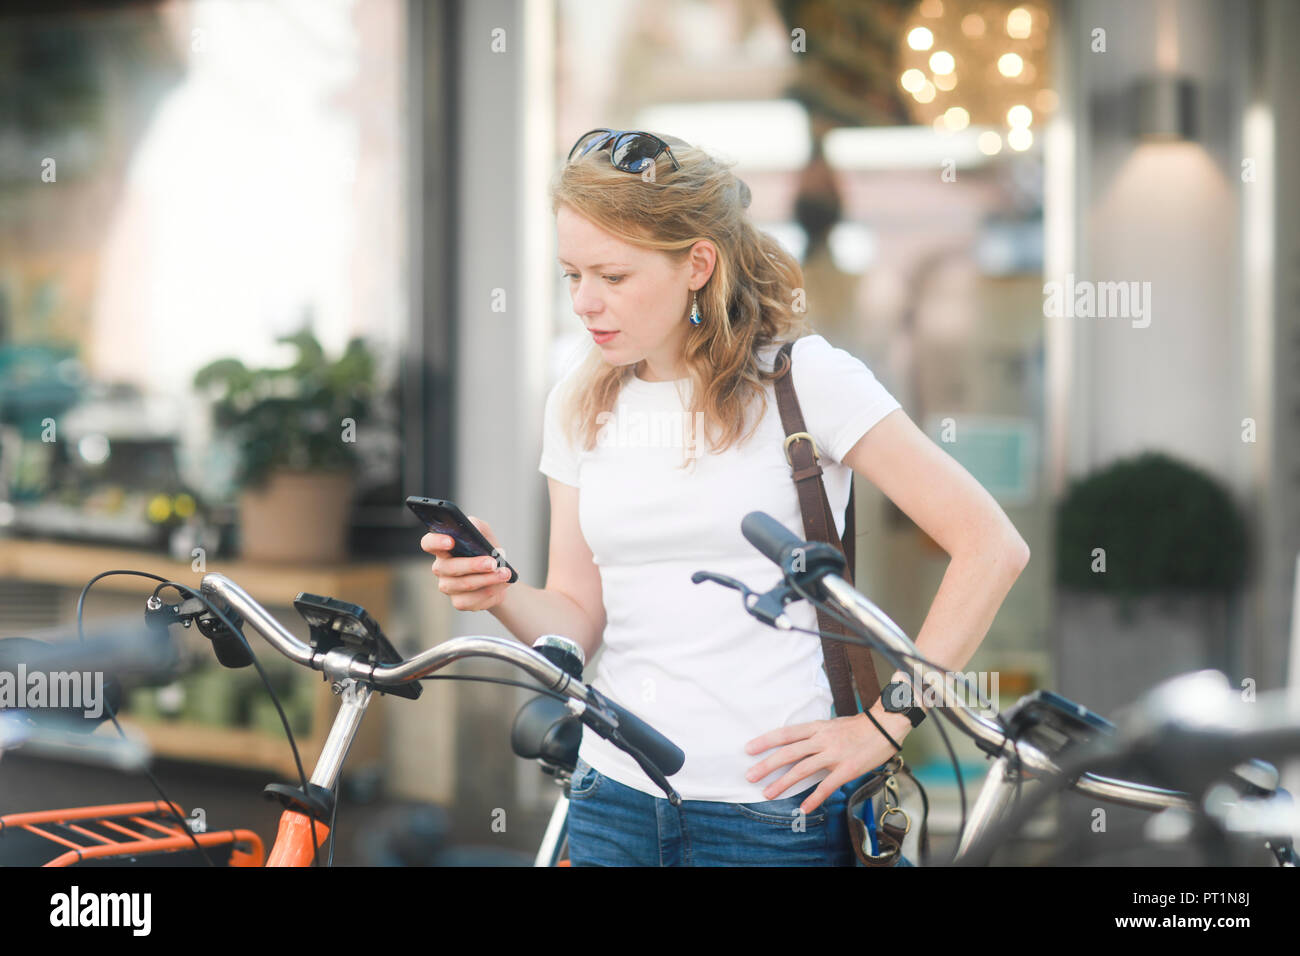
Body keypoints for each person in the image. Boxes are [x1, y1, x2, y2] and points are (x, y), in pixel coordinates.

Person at [422, 129, 1030, 866]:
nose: (585, 302)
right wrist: (500, 590)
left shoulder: (806, 382)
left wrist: (885, 724)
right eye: (571, 275)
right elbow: (577, 617)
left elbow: (991, 545)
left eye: (613, 276)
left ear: (697, 265)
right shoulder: (577, 402)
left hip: (774, 814)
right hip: (612, 799)